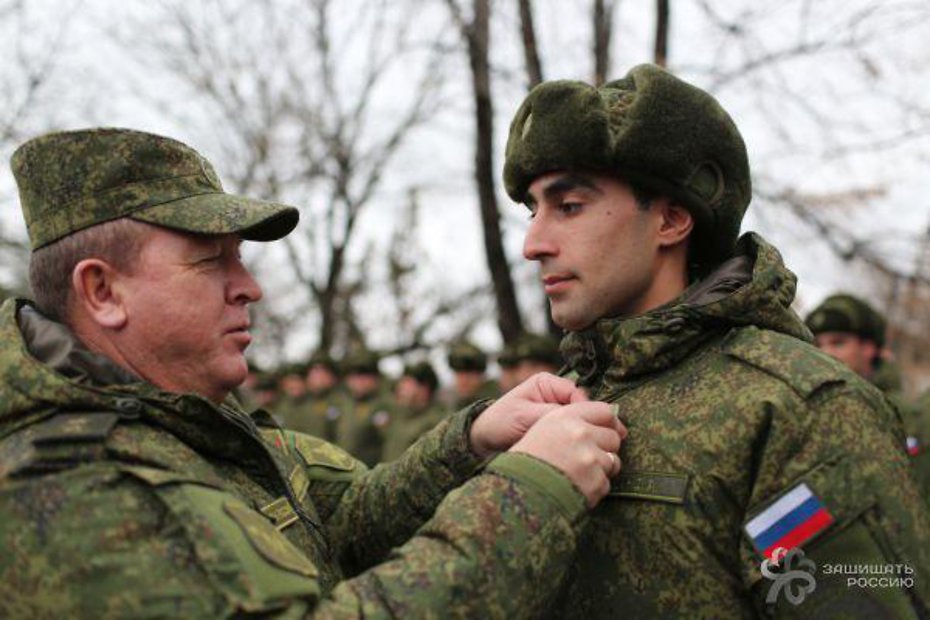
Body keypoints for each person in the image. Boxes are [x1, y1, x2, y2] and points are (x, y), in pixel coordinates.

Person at [0, 128, 628, 618]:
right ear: (104, 291)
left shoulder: (188, 421)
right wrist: (532, 489)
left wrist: (471, 441)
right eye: (209, 261)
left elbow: (341, 521)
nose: (248, 288)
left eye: (239, 260)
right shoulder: (59, 484)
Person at [503, 64, 930, 617]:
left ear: (672, 221)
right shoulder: (555, 400)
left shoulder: (798, 411)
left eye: (569, 207)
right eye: (533, 210)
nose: (533, 244)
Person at [806, 293, 930, 499]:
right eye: (817, 344)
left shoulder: (911, 420)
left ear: (869, 348)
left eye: (838, 343)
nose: (825, 353)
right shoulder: (802, 418)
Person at [335, 348, 394, 466]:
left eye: (365, 376)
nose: (359, 381)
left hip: (370, 473)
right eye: (354, 376)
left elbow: (390, 445)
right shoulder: (344, 403)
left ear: (375, 379)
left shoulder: (383, 405)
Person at [383, 361, 446, 461]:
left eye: (408, 383)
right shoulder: (400, 415)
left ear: (424, 389)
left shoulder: (435, 422)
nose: (400, 388)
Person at [447, 339, 499, 408]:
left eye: (469, 375)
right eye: (459, 374)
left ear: (481, 375)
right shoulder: (461, 404)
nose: (463, 381)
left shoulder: (494, 401)